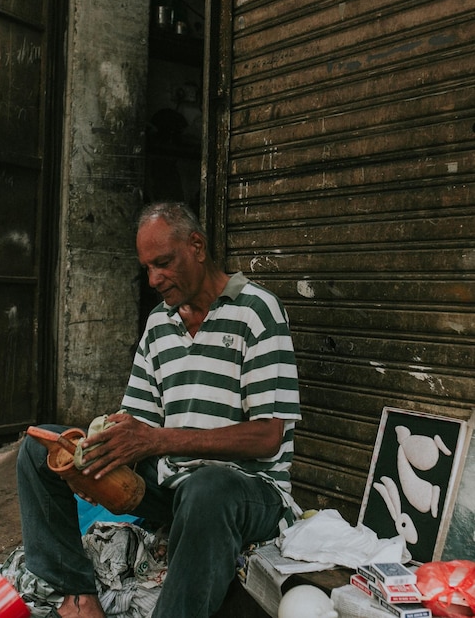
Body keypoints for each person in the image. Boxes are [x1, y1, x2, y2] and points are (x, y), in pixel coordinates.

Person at [17, 201, 302, 618]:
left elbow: (267, 436)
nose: (154, 279)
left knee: (208, 487)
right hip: (172, 487)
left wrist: (156, 439)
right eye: (147, 268)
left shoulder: (257, 312)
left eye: (163, 263)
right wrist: (103, 444)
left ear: (197, 246)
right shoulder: (158, 324)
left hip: (244, 494)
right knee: (39, 448)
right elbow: (139, 423)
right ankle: (78, 599)